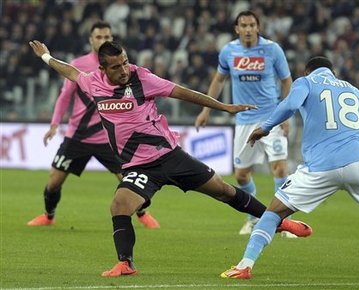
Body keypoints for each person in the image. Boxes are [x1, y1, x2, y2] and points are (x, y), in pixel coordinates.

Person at [29, 40, 313, 277]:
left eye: (125, 62)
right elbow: (70, 72)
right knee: (119, 204)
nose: (124, 70)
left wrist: (222, 107)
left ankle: (278, 222)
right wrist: (45, 56)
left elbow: (183, 93)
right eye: (116, 67)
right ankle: (126, 263)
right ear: (102, 69)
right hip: (139, 167)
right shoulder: (93, 83)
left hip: (170, 156)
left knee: (225, 191)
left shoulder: (142, 78)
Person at [220, 56, 359, 279]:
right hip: (356, 162)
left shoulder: (305, 82)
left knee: (273, 214)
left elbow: (290, 104)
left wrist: (266, 127)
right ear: (333, 73)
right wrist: (351, 136)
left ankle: (245, 265)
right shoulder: (354, 90)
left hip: (319, 168)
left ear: (308, 71)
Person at [27, 21, 160, 229]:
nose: (103, 41)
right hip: (77, 135)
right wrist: (54, 124)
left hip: (109, 137)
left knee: (129, 179)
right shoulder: (78, 64)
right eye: (99, 37)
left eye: (107, 37)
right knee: (54, 181)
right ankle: (48, 215)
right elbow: (64, 97)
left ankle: (143, 213)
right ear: (91, 40)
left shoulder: (121, 66)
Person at [195, 10, 293, 235]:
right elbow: (218, 80)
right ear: (237, 29)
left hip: (271, 117)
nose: (248, 29)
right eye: (244, 25)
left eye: (252, 25)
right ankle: (253, 217)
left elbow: (287, 81)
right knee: (240, 175)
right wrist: (206, 110)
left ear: (258, 27)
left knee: (279, 167)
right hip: (244, 120)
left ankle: (283, 221)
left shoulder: (272, 49)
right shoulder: (229, 51)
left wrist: (285, 113)